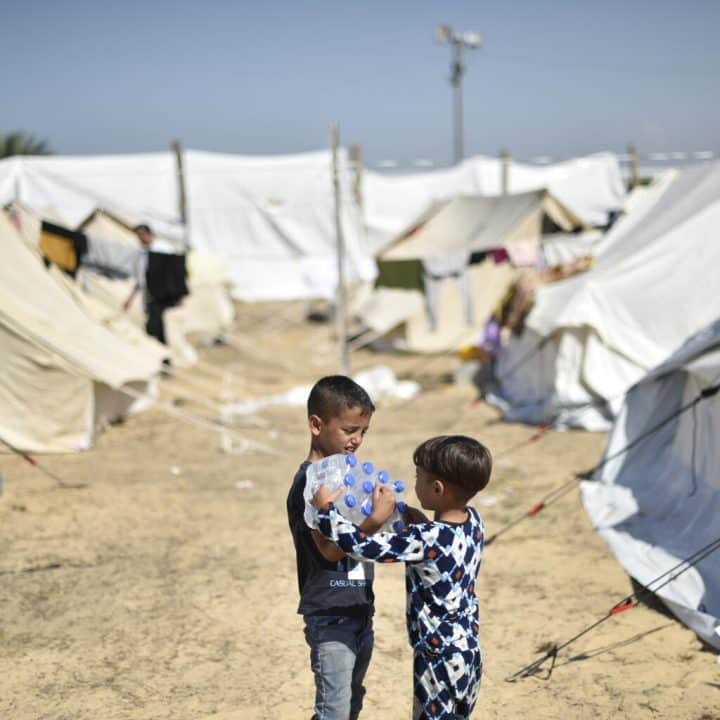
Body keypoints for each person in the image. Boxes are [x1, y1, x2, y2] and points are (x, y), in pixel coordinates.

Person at [312, 435, 492, 720]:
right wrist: (420, 521)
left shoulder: (426, 539)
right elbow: (444, 548)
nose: (415, 482)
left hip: (437, 658)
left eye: (419, 476)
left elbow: (364, 547)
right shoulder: (474, 520)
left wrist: (327, 512)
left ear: (437, 488)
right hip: (467, 650)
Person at [286, 375, 383, 720]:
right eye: (349, 430)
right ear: (316, 424)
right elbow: (329, 550)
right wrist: (372, 522)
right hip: (330, 616)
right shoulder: (309, 484)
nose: (357, 440)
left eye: (363, 432)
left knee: (351, 703)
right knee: (334, 711)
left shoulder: (346, 477)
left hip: (358, 607)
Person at [124, 223, 187, 346]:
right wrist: (130, 298)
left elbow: (176, 271)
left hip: (165, 293)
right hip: (151, 294)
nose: (140, 238)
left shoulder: (163, 249)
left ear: (149, 234)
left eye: (142, 234)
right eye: (138, 235)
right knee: (153, 323)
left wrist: (179, 294)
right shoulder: (142, 254)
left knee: (161, 323)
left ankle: (164, 351)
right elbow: (141, 279)